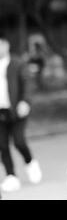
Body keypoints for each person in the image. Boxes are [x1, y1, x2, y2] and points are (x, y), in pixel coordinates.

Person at [0, 32, 42, 193]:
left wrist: (25, 101)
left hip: (17, 110)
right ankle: (11, 176)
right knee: (2, 145)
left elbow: (28, 83)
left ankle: (30, 162)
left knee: (19, 141)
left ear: (5, 45)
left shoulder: (17, 64)